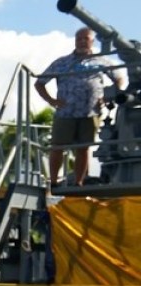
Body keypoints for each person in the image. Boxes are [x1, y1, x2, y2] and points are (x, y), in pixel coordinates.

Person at [34, 27, 127, 188]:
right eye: (79, 39)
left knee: (83, 149)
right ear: (75, 41)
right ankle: (54, 182)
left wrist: (107, 96)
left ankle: (78, 182)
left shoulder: (101, 61)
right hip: (65, 112)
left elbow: (119, 78)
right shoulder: (62, 62)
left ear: (92, 41)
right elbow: (39, 83)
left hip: (90, 112)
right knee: (57, 147)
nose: (82, 41)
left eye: (86, 38)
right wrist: (51, 100)